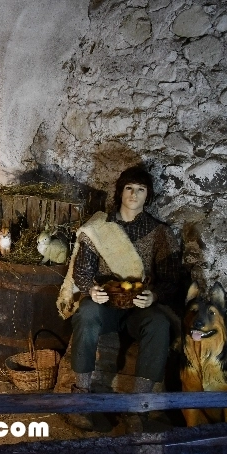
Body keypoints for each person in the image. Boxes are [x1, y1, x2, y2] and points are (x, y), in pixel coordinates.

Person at [58, 165, 182, 432]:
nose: (134, 194)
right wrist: (91, 289)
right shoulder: (99, 228)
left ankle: (138, 408)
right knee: (86, 313)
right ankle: (81, 398)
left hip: (139, 307)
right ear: (120, 191)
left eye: (141, 189)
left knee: (159, 324)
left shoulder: (160, 233)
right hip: (105, 303)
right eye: (129, 188)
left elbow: (172, 279)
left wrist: (154, 296)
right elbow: (82, 272)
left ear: (148, 195)